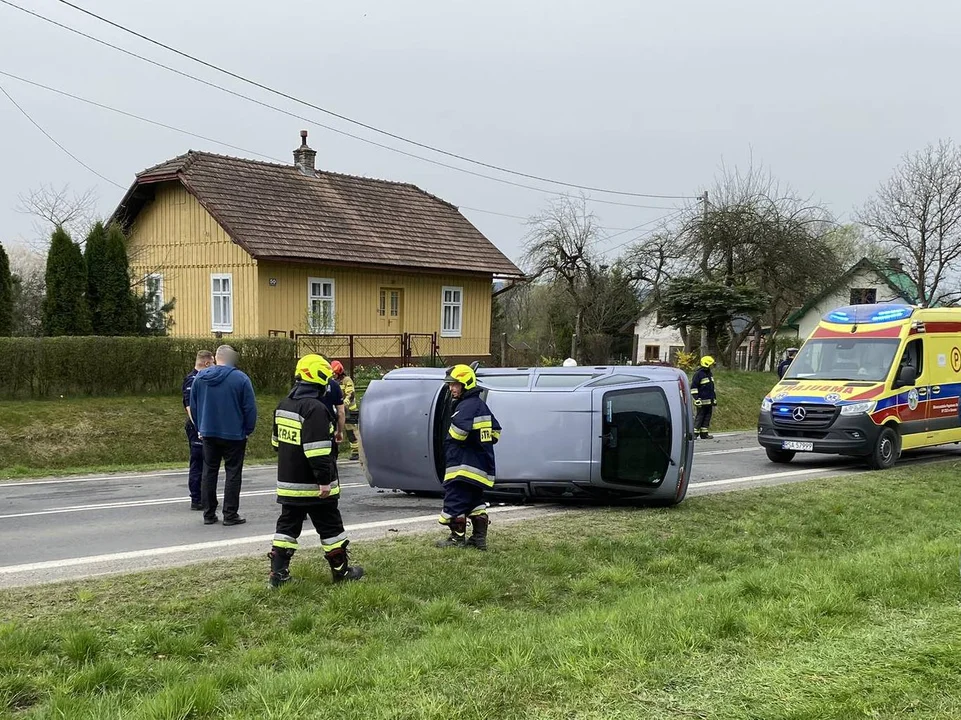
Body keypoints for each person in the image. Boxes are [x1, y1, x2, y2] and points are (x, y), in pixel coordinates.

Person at [267, 354, 364, 587]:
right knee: (331, 528)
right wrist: (325, 482)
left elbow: (275, 444)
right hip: (314, 486)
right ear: (320, 377)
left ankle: (278, 575)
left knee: (286, 528)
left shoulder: (284, 405)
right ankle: (341, 572)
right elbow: (318, 452)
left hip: (289, 484)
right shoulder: (316, 408)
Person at [189, 344, 257, 526]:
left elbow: (193, 406)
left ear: (217, 358)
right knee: (233, 473)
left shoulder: (200, 378)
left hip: (208, 432)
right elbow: (249, 408)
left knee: (209, 471)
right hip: (234, 433)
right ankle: (230, 513)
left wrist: (200, 426)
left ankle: (209, 513)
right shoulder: (241, 379)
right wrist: (248, 429)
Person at [436, 364, 501, 551]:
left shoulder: (465, 407)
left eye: (455, 385)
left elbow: (457, 435)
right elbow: (495, 433)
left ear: (466, 383)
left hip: (462, 467)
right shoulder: (480, 405)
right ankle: (479, 540)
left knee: (454, 501)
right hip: (480, 468)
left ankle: (456, 540)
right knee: (475, 503)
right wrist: (480, 440)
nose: (451, 388)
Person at [182, 350, 214, 510]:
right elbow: (190, 408)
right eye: (213, 363)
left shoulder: (204, 379)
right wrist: (199, 429)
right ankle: (197, 498)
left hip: (204, 426)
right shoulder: (192, 379)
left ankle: (205, 497)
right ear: (207, 363)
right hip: (197, 428)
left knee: (206, 462)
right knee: (198, 462)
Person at [331, 360, 360, 461]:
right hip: (338, 410)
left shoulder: (347, 380)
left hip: (349, 411)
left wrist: (344, 403)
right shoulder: (334, 382)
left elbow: (350, 394)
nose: (333, 375)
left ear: (339, 372)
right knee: (335, 431)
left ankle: (356, 452)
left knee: (351, 432)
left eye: (334, 373)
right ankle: (334, 451)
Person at [691, 355, 717, 440]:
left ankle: (704, 434)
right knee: (700, 417)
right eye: (710, 364)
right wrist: (696, 398)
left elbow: (711, 388)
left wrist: (714, 399)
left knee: (707, 417)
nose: (711, 366)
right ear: (706, 364)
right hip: (701, 401)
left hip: (709, 401)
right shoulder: (698, 374)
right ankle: (694, 434)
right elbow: (694, 388)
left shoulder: (709, 373)